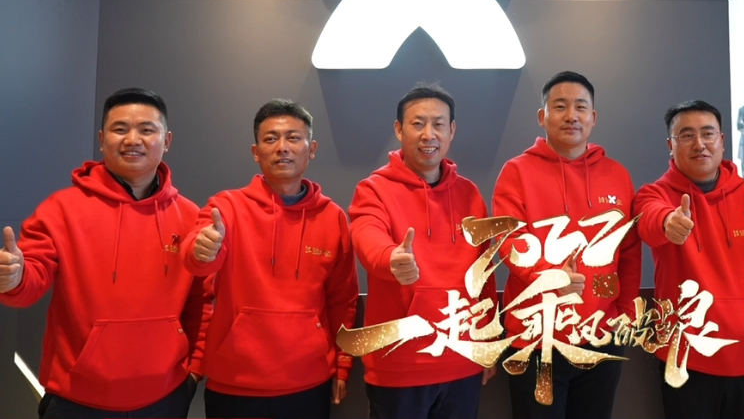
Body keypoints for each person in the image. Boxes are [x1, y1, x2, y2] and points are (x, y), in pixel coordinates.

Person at [0, 88, 211, 418]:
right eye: (120, 129)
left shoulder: (190, 216)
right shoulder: (61, 210)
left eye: (146, 129)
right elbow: (30, 282)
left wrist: (195, 371)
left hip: (166, 397)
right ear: (102, 139)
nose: (132, 139)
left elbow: (202, 302)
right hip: (76, 400)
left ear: (166, 140)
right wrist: (14, 277)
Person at [182, 99, 358, 419]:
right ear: (256, 152)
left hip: (308, 381)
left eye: (293, 137)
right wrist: (202, 250)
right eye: (270, 138)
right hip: (234, 383)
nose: (282, 148)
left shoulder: (332, 217)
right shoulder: (227, 207)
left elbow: (342, 300)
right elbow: (197, 258)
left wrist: (343, 364)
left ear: (311, 149)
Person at [494, 71, 641, 419]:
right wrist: (551, 277)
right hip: (535, 339)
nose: (571, 115)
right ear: (542, 116)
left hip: (600, 337)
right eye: (560, 106)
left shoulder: (617, 174)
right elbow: (508, 242)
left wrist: (625, 315)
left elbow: (629, 251)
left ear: (593, 117)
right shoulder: (517, 172)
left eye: (580, 107)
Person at [349, 83, 496, 419]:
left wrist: (488, 340)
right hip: (399, 364)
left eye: (438, 124)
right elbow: (367, 237)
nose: (428, 134)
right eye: (417, 124)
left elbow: (483, 274)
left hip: (463, 360)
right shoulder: (373, 190)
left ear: (451, 130)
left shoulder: (470, 195)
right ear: (399, 129)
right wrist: (390, 259)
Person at [632, 100, 744, 419]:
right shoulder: (654, 194)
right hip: (685, 360)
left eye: (707, 133)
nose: (699, 144)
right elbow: (650, 220)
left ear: (722, 140)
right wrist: (668, 222)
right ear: (670, 145)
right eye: (686, 135)